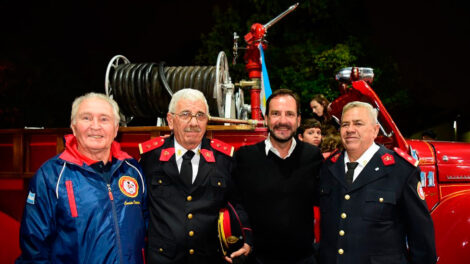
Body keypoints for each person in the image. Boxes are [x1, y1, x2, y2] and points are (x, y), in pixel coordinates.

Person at [17, 93, 147, 263]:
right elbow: (34, 247)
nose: (95, 126)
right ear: (73, 126)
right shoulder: (51, 176)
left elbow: (147, 226)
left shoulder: (132, 170)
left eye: (104, 119)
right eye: (86, 118)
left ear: (116, 129)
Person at [139, 88, 252, 264]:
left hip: (210, 258)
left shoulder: (224, 158)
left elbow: (238, 203)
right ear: (170, 120)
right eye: (185, 114)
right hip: (162, 259)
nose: (194, 123)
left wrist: (247, 239)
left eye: (200, 115)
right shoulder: (150, 157)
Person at [318, 101, 436, 264]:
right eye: (345, 124)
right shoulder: (329, 167)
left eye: (358, 123)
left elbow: (421, 236)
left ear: (375, 130)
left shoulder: (401, 170)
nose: (350, 129)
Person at [233, 89, 323, 264]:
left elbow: (327, 202)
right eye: (275, 114)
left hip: (304, 259)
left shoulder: (313, 157)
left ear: (298, 120)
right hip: (257, 259)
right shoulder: (245, 157)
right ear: (266, 119)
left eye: (289, 114)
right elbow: (236, 206)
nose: (282, 121)